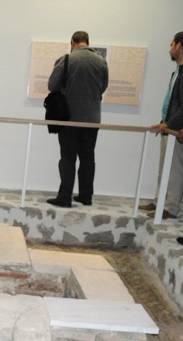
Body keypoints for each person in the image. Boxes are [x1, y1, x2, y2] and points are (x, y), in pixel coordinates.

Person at [46, 31, 109, 208]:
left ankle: (65, 196)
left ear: (72, 42)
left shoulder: (66, 60)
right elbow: (103, 86)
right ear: (87, 42)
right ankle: (86, 196)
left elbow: (52, 85)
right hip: (92, 118)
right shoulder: (101, 61)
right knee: (88, 158)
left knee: (68, 158)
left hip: (70, 118)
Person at [142, 31, 183, 219]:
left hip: (177, 129)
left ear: (179, 45)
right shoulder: (182, 69)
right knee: (165, 167)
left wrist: (169, 124)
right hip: (170, 127)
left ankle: (171, 207)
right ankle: (160, 201)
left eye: (171, 44)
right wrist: (165, 123)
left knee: (174, 169)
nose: (170, 49)